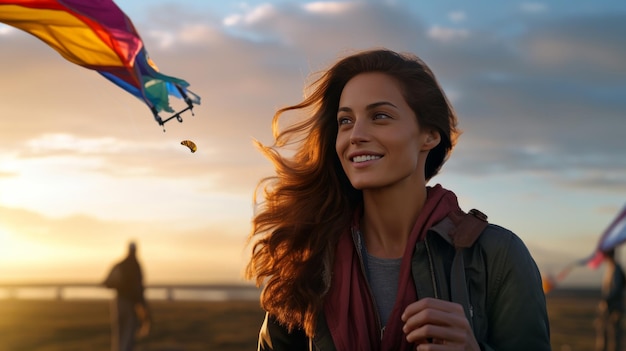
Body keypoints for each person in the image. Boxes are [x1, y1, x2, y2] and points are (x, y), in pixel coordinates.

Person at [245, 48, 551, 350]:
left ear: (429, 135)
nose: (356, 135)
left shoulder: (497, 257)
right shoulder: (311, 256)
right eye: (345, 121)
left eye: (380, 116)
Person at [103, 241, 151, 351]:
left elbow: (107, 282)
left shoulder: (120, 265)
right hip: (130, 303)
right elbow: (139, 288)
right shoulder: (136, 266)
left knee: (119, 332)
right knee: (128, 333)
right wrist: (142, 304)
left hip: (120, 302)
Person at [595, 249, 626, 351]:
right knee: (605, 334)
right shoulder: (611, 268)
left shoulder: (616, 269)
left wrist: (607, 300)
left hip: (614, 309)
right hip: (608, 308)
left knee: (614, 335)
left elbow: (616, 289)